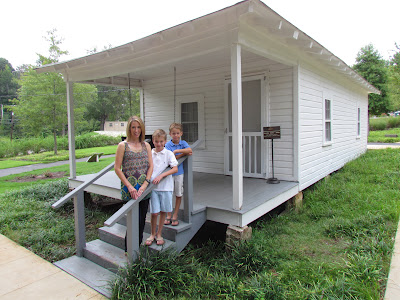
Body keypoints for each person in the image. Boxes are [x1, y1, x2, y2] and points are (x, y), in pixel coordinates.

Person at [114, 116, 153, 247]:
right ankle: (128, 249)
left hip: (144, 189)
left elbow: (151, 166)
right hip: (130, 189)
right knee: (132, 221)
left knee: (142, 220)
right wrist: (130, 187)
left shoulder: (146, 145)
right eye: (133, 127)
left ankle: (137, 248)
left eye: (138, 127)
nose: (136, 130)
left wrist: (145, 184)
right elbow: (117, 168)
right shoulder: (122, 146)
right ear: (129, 129)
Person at [146, 129, 178, 246]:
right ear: (153, 141)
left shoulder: (168, 153)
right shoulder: (150, 153)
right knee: (154, 213)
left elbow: (175, 168)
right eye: (156, 141)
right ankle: (152, 234)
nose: (158, 144)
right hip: (153, 188)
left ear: (165, 141)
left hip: (166, 187)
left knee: (164, 211)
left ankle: (159, 233)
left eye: (161, 141)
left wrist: (162, 175)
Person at [165, 123, 192, 226]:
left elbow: (189, 150)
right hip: (169, 174)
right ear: (170, 134)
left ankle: (175, 214)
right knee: (168, 194)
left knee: (178, 193)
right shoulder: (167, 145)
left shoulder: (183, 143)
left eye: (177, 133)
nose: (175, 135)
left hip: (179, 173)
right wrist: (182, 154)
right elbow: (170, 159)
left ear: (181, 133)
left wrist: (177, 151)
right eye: (173, 133)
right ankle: (168, 214)